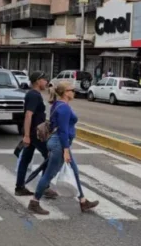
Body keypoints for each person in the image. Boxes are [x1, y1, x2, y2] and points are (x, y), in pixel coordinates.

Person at [28, 82, 99, 215]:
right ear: (65, 92)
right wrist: (65, 150)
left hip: (60, 143)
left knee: (75, 171)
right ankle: (34, 202)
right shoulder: (64, 108)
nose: (74, 92)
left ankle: (83, 201)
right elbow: (63, 131)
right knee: (49, 174)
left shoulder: (59, 104)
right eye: (72, 90)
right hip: (59, 144)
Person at [15, 71, 58, 199]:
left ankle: (20, 187)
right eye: (44, 79)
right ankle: (44, 187)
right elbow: (29, 115)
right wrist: (27, 135)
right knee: (49, 156)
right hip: (35, 134)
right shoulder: (34, 95)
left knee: (25, 160)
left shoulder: (34, 94)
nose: (46, 82)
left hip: (34, 133)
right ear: (38, 81)